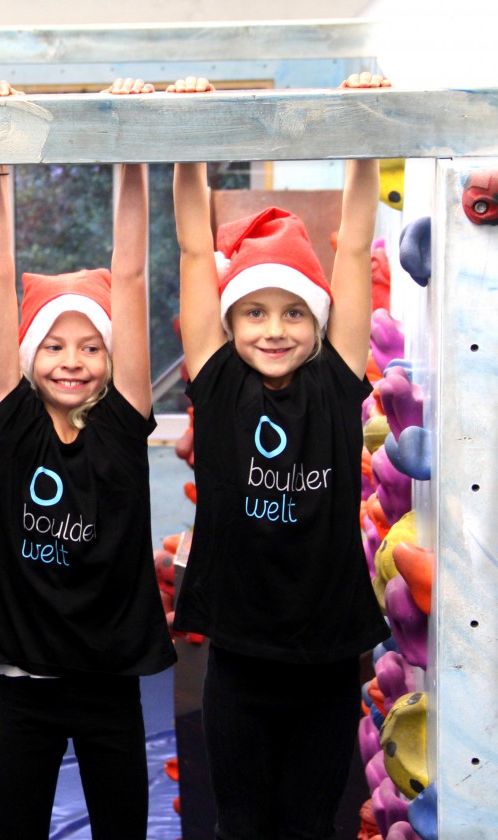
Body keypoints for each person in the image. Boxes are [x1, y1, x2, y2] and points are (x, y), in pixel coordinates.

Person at [169, 72, 392, 838]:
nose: (274, 329)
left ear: (319, 324)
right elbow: (194, 248)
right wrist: (188, 133)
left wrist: (364, 133)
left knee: (307, 823)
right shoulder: (219, 384)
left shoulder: (335, 383)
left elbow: (353, 245)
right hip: (240, 654)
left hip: (326, 657)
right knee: (241, 822)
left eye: (295, 313)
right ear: (228, 325)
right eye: (255, 313)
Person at [0, 78, 176, 839]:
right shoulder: (11, 422)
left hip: (111, 678)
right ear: (28, 357)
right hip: (28, 681)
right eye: (53, 345)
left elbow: (133, 275)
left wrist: (131, 146)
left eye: (90, 346)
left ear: (112, 361)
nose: (72, 361)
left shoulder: (122, 424)